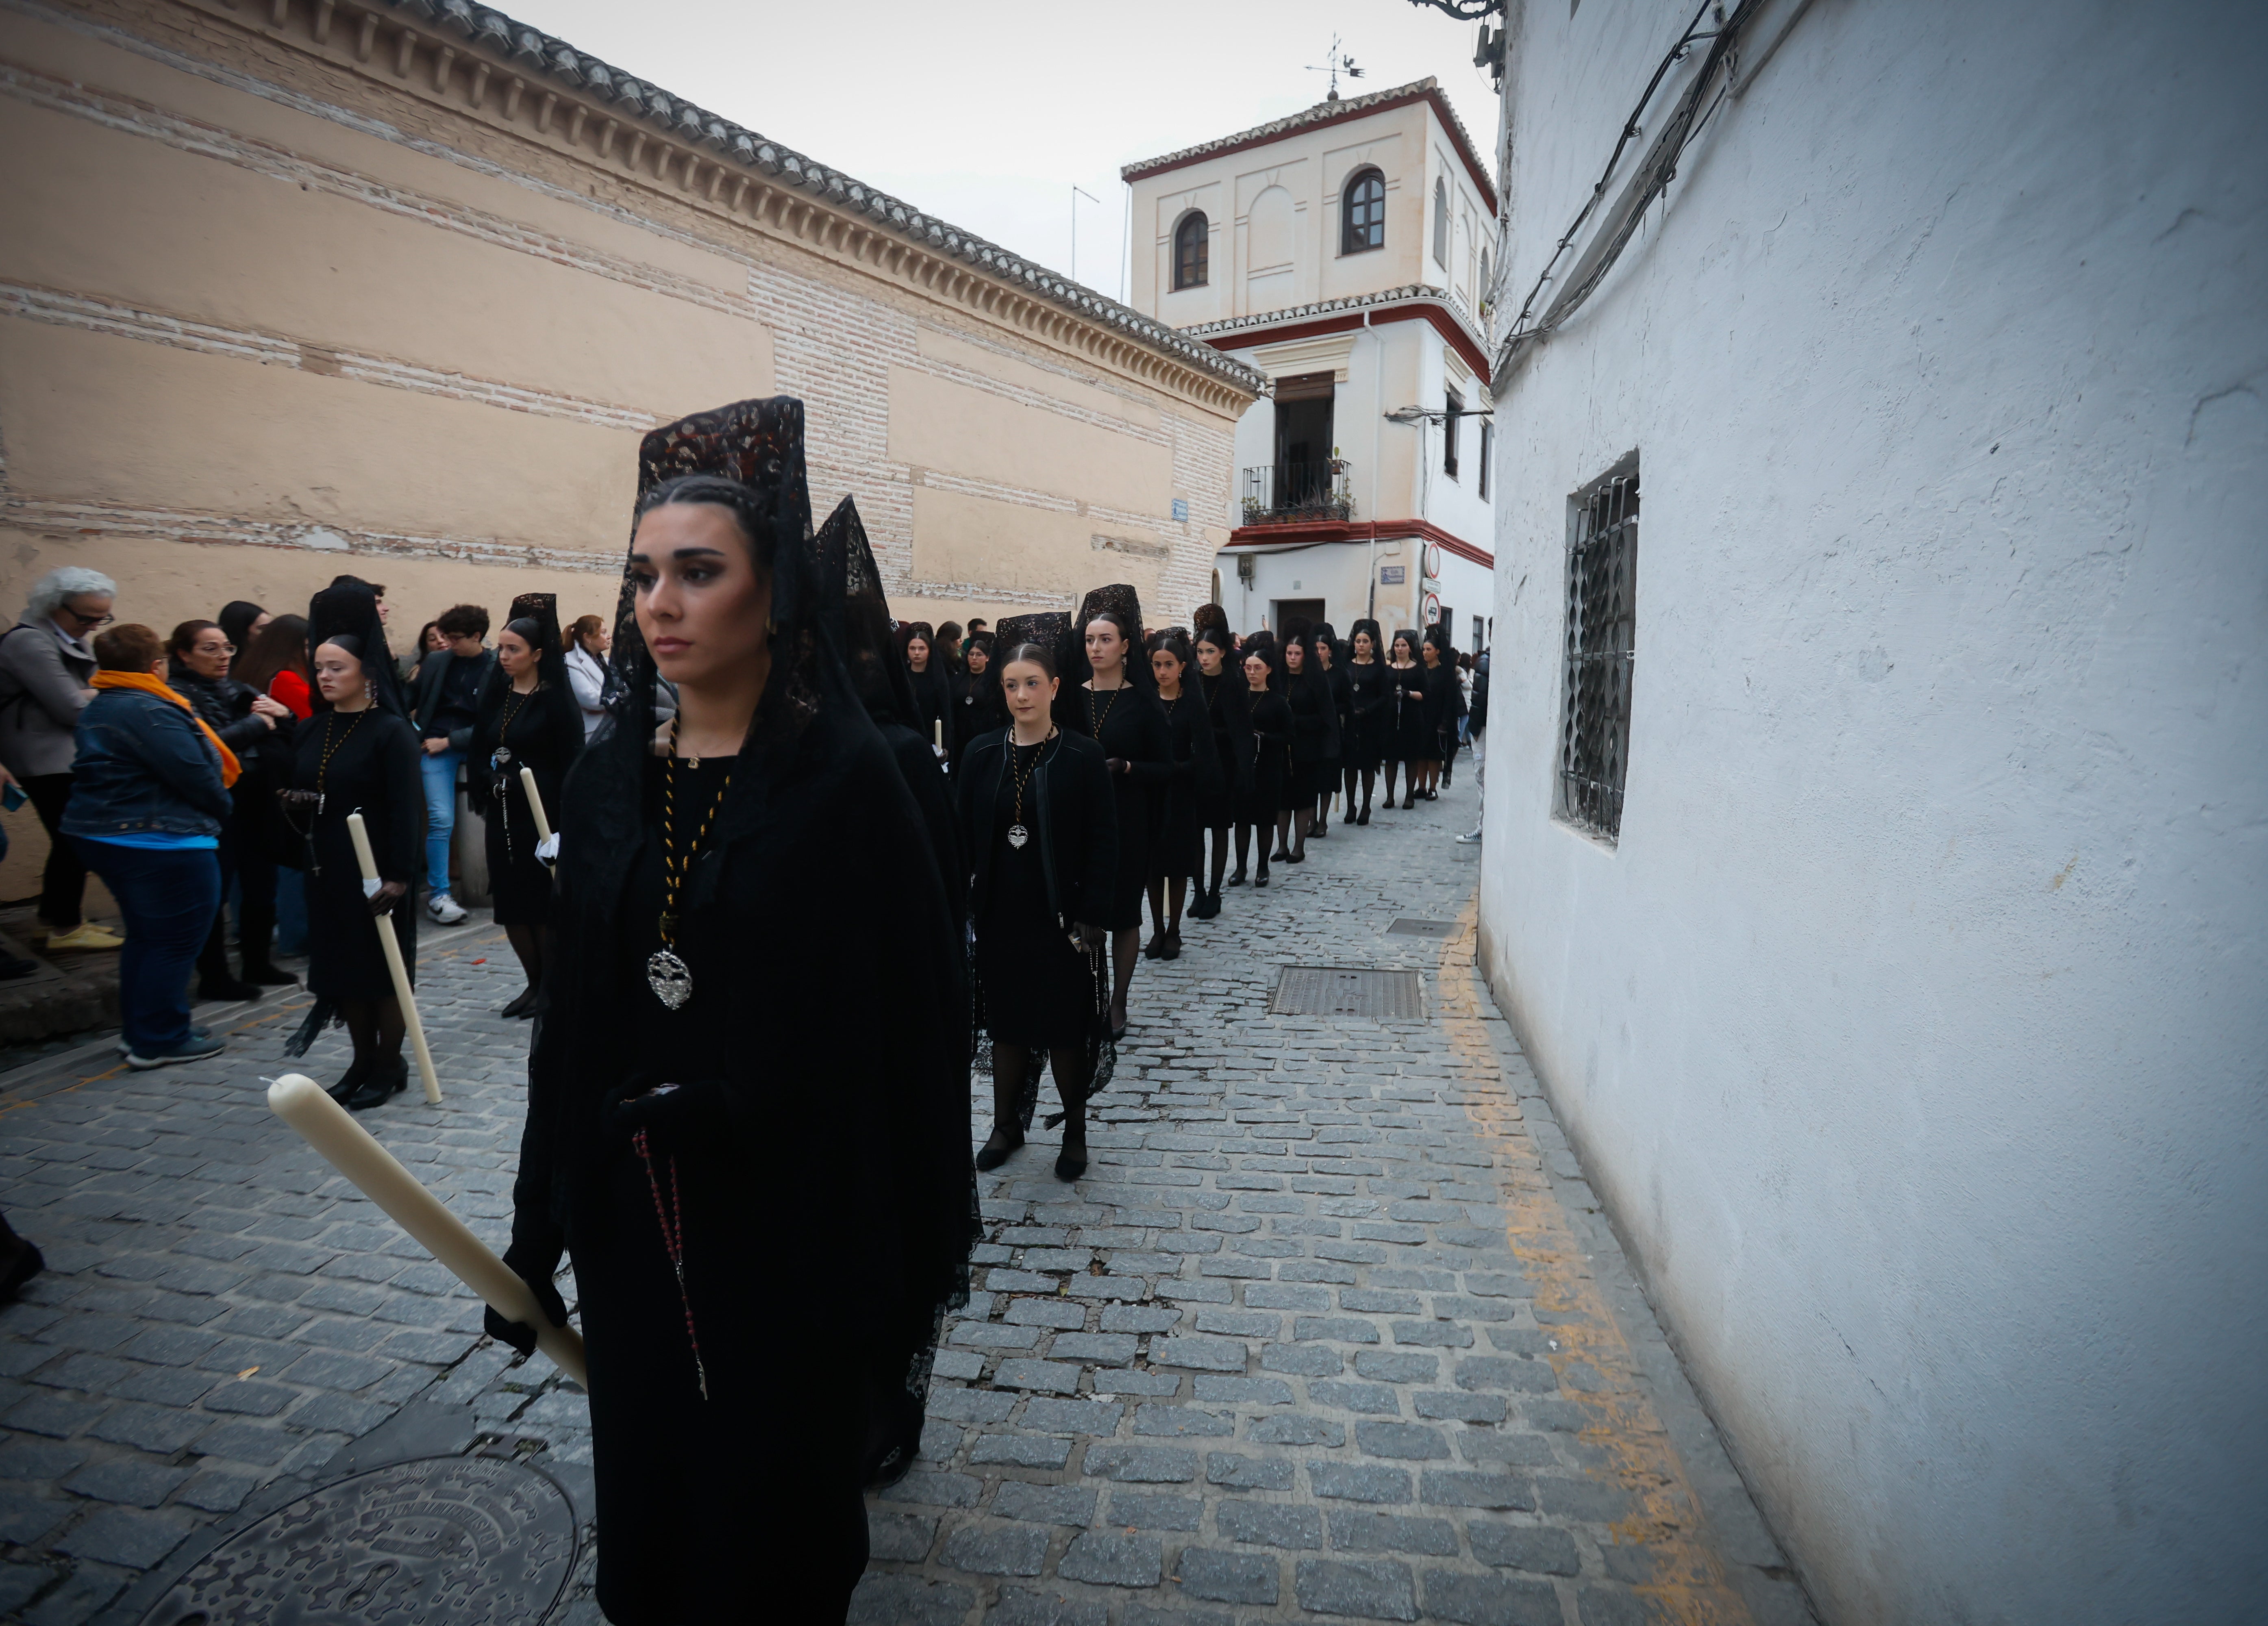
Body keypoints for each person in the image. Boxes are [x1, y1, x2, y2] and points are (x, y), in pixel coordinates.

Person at [487, 398, 976, 1624]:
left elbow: (907, 1028)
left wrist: (747, 1100)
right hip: (634, 1221)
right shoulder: (609, 779)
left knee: (777, 1526)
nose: (659, 603)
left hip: (789, 1225)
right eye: (646, 573)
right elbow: (577, 1026)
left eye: (698, 572)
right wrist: (539, 1217)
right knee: (656, 1505)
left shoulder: (847, 783)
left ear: (776, 595)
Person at [957, 635, 1115, 1180]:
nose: (1021, 695)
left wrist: (1093, 912)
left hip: (1062, 919)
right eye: (1010, 686)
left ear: (1053, 687)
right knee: (1007, 1024)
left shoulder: (1081, 755)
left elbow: (1102, 839)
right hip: (1001, 915)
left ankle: (1074, 1130)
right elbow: (960, 838)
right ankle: (1006, 1125)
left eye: (1031, 684)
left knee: (1065, 1027)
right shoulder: (980, 754)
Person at [61, 623, 236, 1068]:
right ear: (156, 665)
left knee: (146, 938)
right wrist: (224, 808)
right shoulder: (151, 708)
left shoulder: (105, 703)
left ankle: (144, 1029)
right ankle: (159, 1038)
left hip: (106, 835)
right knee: (175, 942)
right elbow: (194, 774)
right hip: (160, 841)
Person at [281, 584, 423, 1109]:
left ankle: (388, 1067)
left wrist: (401, 877)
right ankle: (361, 1061)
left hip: (379, 873)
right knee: (343, 973)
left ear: (367, 670)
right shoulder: (313, 728)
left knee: (381, 975)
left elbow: (409, 809)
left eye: (336, 667)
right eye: (319, 666)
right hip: (329, 869)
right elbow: (317, 790)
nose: (324, 676)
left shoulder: (391, 733)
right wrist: (297, 801)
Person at [1055, 589, 1169, 1041]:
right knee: (1081, 912)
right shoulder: (1067, 699)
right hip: (1076, 820)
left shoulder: (1143, 703)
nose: (1096, 648)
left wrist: (1126, 767)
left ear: (1126, 646)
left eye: (1105, 639)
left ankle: (1117, 1000)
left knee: (1123, 914)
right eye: (1089, 640)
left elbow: (1164, 769)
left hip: (1126, 820)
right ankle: (1085, 996)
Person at [471, 596, 584, 1019]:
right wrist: (488, 778)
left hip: (543, 815)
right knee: (512, 904)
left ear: (537, 654)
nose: (503, 656)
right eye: (500, 648)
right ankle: (532, 981)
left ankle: (553, 985)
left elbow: (574, 758)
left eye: (513, 649)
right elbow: (484, 745)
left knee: (541, 904)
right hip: (503, 816)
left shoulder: (553, 699)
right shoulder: (499, 694)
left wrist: (566, 822)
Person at [166, 620, 294, 996]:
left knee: (261, 886)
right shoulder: (175, 696)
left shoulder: (239, 688)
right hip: (215, 806)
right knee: (213, 893)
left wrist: (284, 716)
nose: (223, 656)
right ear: (183, 655)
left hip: (257, 801)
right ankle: (215, 977)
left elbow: (286, 730)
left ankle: (257, 963)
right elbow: (207, 748)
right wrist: (259, 724)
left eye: (227, 648)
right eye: (210, 649)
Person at [0, 567, 122, 951]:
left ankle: (54, 922)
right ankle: (64, 927)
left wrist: (89, 695)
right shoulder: (31, 643)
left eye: (100, 618)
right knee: (76, 838)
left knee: (70, 838)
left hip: (59, 754)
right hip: (43, 757)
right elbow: (70, 706)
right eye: (85, 617)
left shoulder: (62, 635)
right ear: (54, 606)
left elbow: (82, 694)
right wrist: (108, 694)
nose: (91, 626)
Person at [408, 604, 494, 925]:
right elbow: (410, 698)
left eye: (455, 638)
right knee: (441, 820)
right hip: (435, 749)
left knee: (496, 815)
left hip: (475, 748)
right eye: (444, 637)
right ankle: (439, 895)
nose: (447, 643)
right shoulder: (436, 662)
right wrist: (409, 731)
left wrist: (451, 741)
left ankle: (495, 885)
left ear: (477, 636)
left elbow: (493, 721)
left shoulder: (497, 666)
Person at [237, 615, 316, 956]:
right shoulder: (284, 677)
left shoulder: (248, 671)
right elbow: (312, 721)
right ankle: (295, 936)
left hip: (255, 772)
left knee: (254, 857)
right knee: (290, 856)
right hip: (282, 772)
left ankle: (250, 929)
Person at [1144, 629, 1220, 959]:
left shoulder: (1192, 703)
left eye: (1168, 665)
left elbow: (1205, 753)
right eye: (1157, 665)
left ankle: (1174, 930)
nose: (1162, 672)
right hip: (1149, 793)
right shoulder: (1145, 701)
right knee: (1152, 868)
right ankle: (1157, 931)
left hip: (1181, 792)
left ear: (1182, 667)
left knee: (1176, 867)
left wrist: (1179, 769)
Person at [1187, 624, 1248, 919]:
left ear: (1223, 652)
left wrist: (1208, 733)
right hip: (1195, 767)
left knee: (1220, 829)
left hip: (1223, 767)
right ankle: (1198, 891)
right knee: (1196, 831)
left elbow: (1240, 732)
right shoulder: (1193, 681)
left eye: (1210, 652)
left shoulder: (1232, 683)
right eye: (1200, 652)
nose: (1204, 658)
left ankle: (1214, 892)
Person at [1276, 627, 1339, 865]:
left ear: (1306, 656)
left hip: (1307, 748)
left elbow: (1325, 716)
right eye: (1289, 653)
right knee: (1282, 800)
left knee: (1302, 799)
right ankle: (1282, 845)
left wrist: (1297, 721)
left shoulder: (1315, 680)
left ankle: (1298, 848)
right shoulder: (1279, 678)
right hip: (1282, 748)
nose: (1292, 658)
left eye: (1297, 654)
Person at [1233, 642, 1292, 889]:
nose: (1252, 672)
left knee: (1266, 820)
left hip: (1269, 767)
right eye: (1248, 667)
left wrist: (1265, 737)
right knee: (1242, 819)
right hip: (1242, 767)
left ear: (1268, 670)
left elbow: (1289, 737)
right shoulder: (1237, 698)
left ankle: (1263, 867)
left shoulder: (1278, 702)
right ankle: (1240, 867)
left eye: (1257, 668)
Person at [1342, 619, 1388, 825]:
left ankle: (1366, 806)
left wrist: (1367, 710)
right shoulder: (1346, 666)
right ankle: (1351, 806)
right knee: (1350, 767)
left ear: (1372, 645)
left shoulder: (1379, 668)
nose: (1361, 645)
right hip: (1350, 723)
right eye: (1358, 641)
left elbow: (1384, 696)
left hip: (1370, 723)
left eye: (1365, 641)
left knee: (1368, 767)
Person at [1309, 621, 1350, 840]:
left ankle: (1323, 820)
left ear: (1330, 651)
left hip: (1330, 732)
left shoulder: (1339, 675)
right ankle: (1311, 819)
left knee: (1326, 777)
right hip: (1309, 732)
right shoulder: (1308, 674)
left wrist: (1330, 709)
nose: (1318, 653)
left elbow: (1347, 703)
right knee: (1311, 778)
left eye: (1322, 649)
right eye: (1315, 649)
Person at [1385, 630, 1433, 810]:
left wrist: (1409, 694)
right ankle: (1390, 797)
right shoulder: (1388, 669)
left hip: (1412, 718)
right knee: (1391, 759)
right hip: (1391, 718)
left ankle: (1409, 797)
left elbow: (1425, 695)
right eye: (1397, 645)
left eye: (1403, 645)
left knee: (1411, 758)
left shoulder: (1418, 670)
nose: (1400, 649)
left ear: (1410, 648)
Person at [897, 621, 952, 755]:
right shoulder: (901, 676)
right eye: (912, 648)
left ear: (929, 650)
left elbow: (945, 713)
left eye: (922, 649)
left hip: (930, 739)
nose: (917, 653)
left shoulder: (937, 679)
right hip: (903, 736)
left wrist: (944, 745)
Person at [950, 632, 1005, 757]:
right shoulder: (958, 679)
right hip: (959, 733)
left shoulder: (992, 681)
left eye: (979, 655)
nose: (974, 658)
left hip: (983, 730)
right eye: (971, 654)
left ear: (987, 658)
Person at [1458, 646, 1490, 844]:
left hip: (1485, 729)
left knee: (1482, 776)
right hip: (1489, 726)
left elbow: (1479, 697)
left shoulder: (1485, 662)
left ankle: (1483, 828)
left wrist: (1475, 729)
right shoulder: (1486, 661)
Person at [1422, 629, 1459, 798]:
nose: (1425, 653)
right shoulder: (1421, 670)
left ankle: (1432, 788)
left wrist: (1445, 721)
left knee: (1434, 755)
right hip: (1421, 717)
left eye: (1429, 650)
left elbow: (1450, 699)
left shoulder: (1445, 673)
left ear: (1437, 652)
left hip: (1437, 718)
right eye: (1424, 649)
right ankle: (1420, 787)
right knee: (1420, 754)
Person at [564, 613, 613, 742]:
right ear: (588, 638)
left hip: (612, 730)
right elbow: (590, 699)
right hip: (592, 734)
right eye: (603, 633)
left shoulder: (607, 662)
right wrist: (619, 697)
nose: (609, 637)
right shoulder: (570, 661)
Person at [217, 601, 269, 680]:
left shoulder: (265, 660)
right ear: (241, 630)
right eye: (262, 629)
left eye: (270, 628)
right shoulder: (220, 665)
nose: (269, 634)